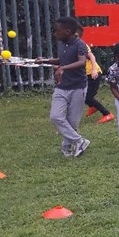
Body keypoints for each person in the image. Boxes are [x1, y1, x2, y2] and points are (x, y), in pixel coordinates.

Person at [38, 17, 90, 157]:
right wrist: (46, 60)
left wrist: (63, 68)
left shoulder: (80, 44)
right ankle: (80, 141)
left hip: (78, 87)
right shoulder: (62, 44)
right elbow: (63, 60)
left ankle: (67, 148)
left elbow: (81, 62)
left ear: (67, 31)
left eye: (57, 31)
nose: (55, 33)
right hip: (62, 87)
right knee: (56, 117)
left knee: (72, 122)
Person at [76, 26, 114, 124]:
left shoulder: (81, 45)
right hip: (84, 75)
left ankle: (107, 114)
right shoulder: (70, 46)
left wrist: (94, 70)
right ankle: (93, 107)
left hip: (93, 74)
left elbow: (91, 56)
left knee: (88, 97)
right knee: (81, 95)